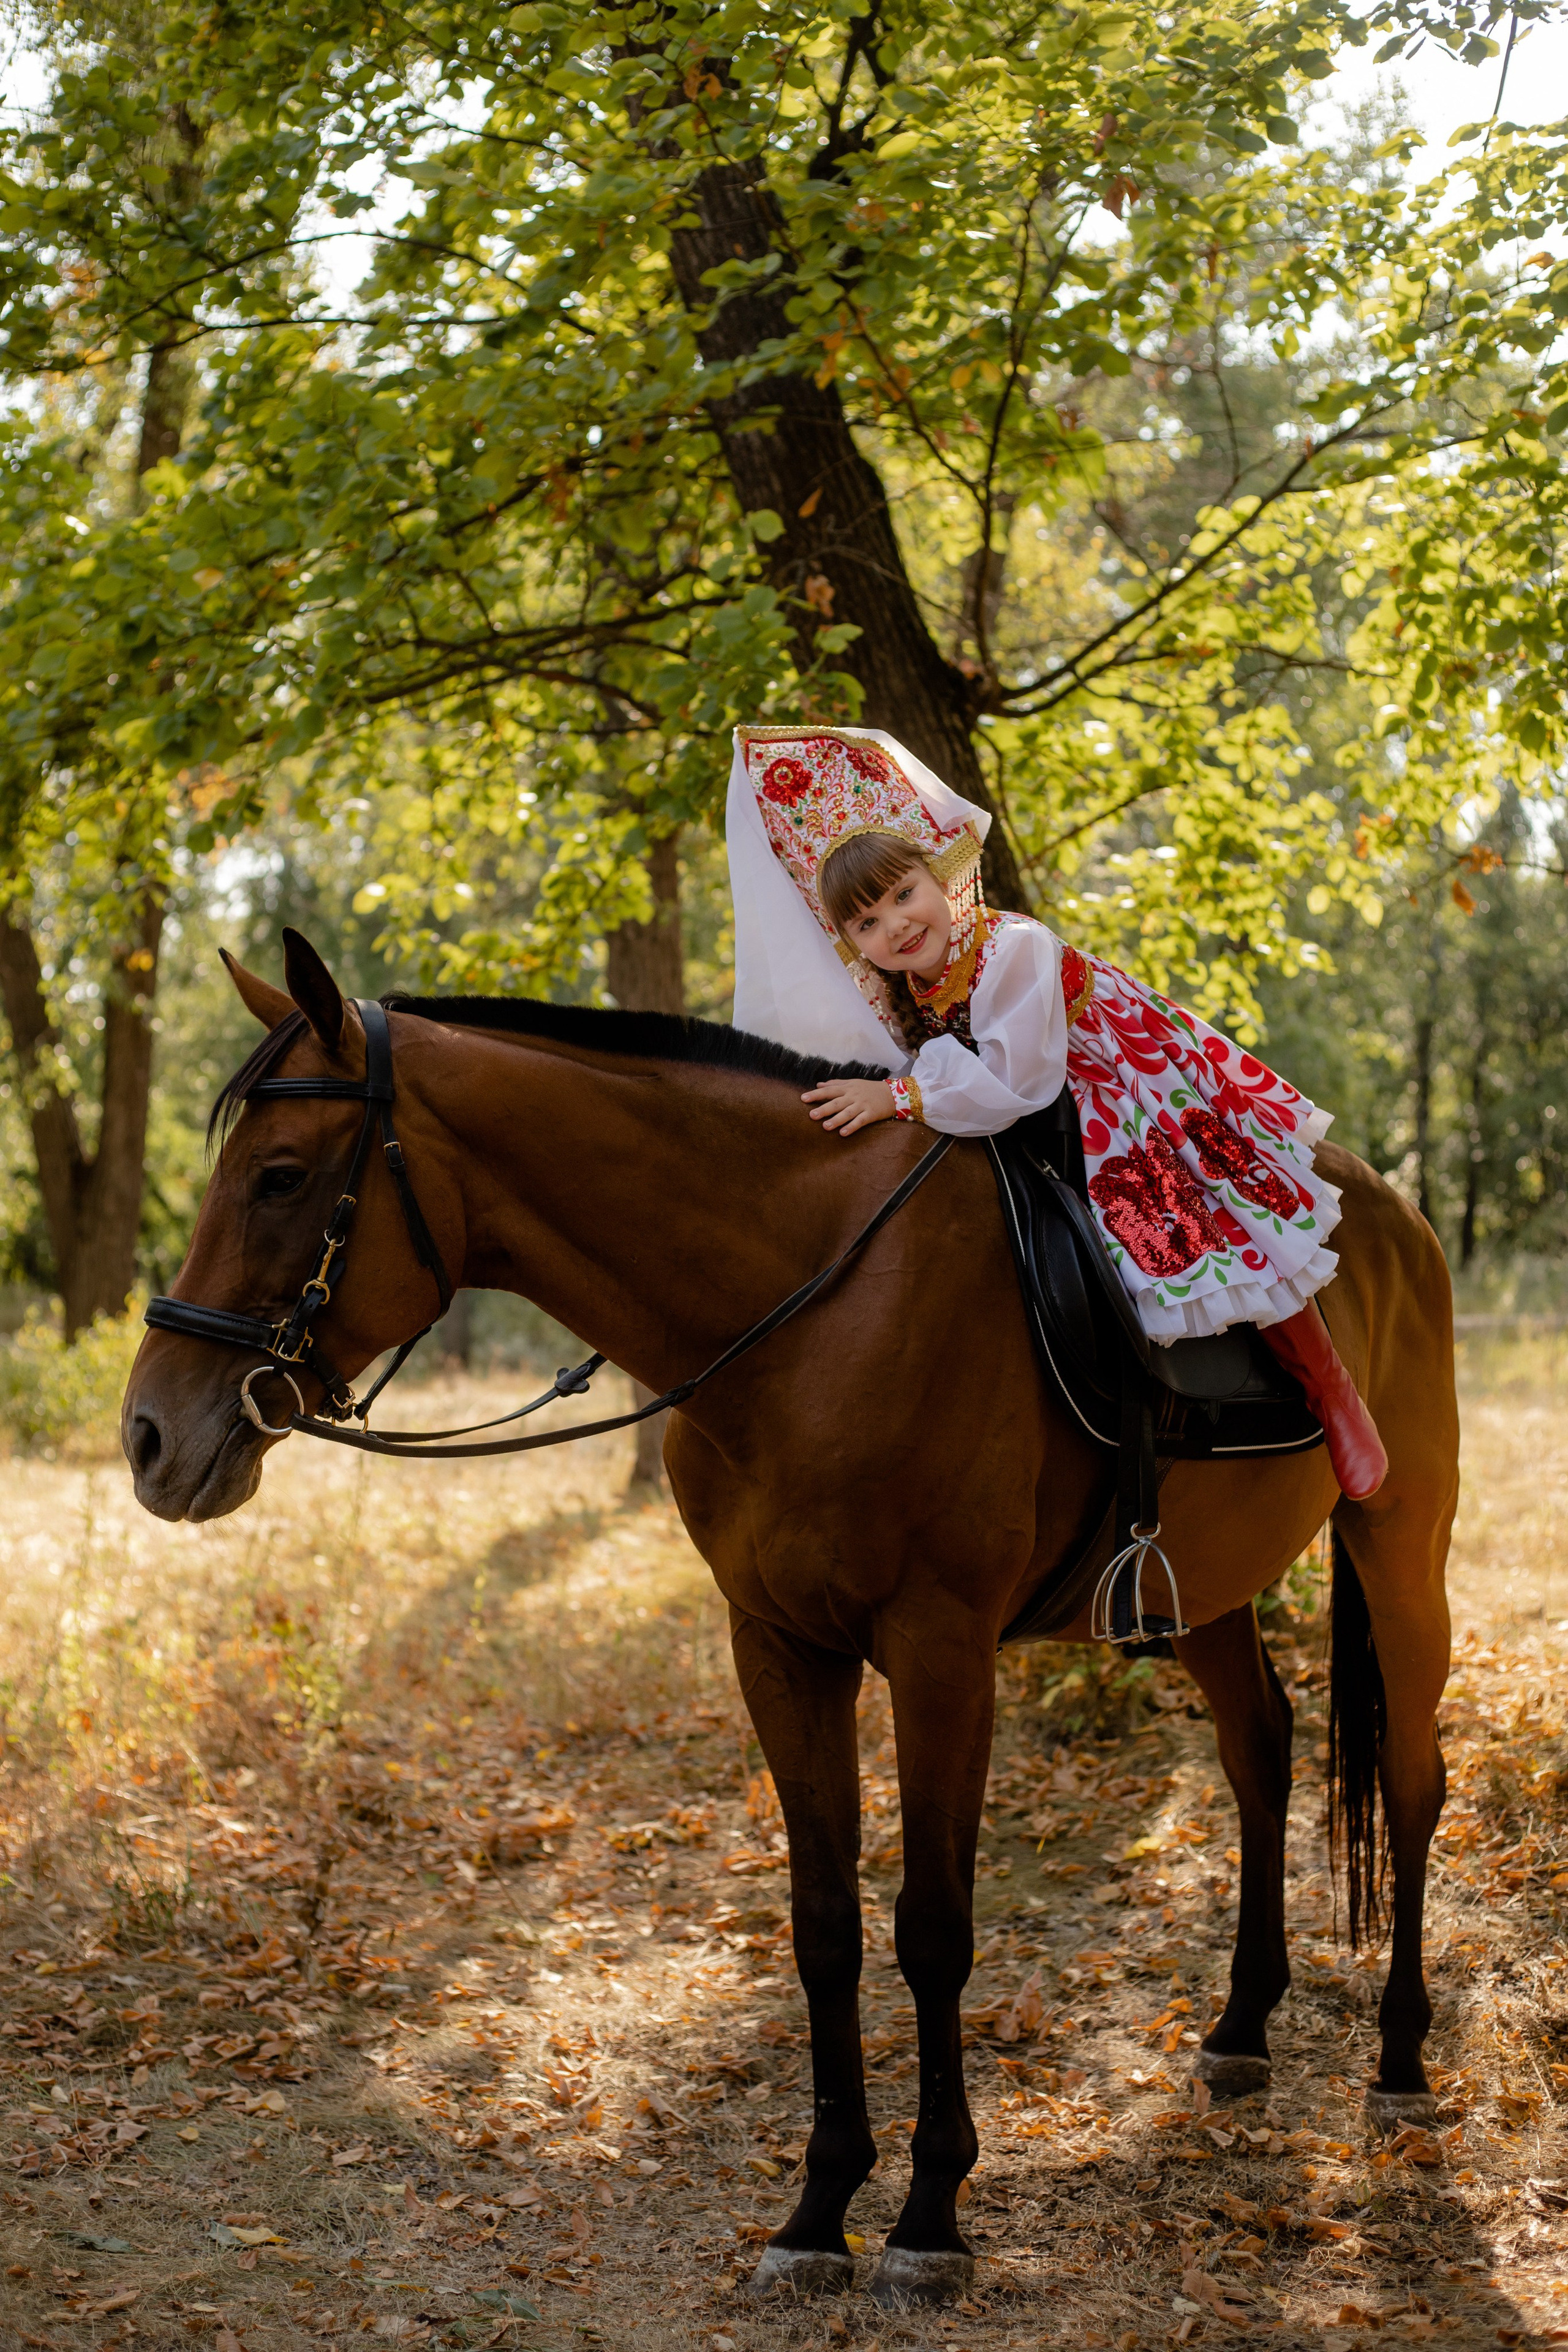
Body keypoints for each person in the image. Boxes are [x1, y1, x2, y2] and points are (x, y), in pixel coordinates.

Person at [726, 722, 1387, 1500]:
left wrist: (899, 1095)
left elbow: (1020, 1078)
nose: (897, 924)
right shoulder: (914, 990)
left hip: (1119, 1081)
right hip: (1039, 1101)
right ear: (853, 945)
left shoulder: (1012, 949)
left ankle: (1328, 1387)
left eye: (905, 895)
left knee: (1200, 1206)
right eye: (868, 923)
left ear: (942, 879)